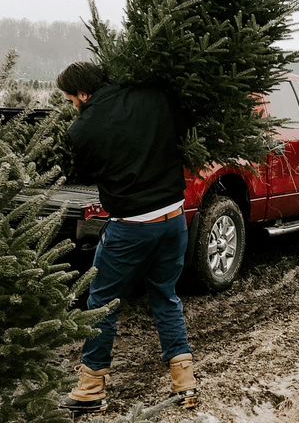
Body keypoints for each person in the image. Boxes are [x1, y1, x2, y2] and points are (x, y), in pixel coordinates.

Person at [56, 61, 197, 415]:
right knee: (165, 296)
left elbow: (85, 173)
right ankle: (185, 385)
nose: (74, 105)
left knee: (102, 302)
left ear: (83, 94)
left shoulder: (82, 129)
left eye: (72, 99)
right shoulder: (155, 95)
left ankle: (90, 389)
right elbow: (182, 132)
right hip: (174, 218)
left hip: (130, 226)